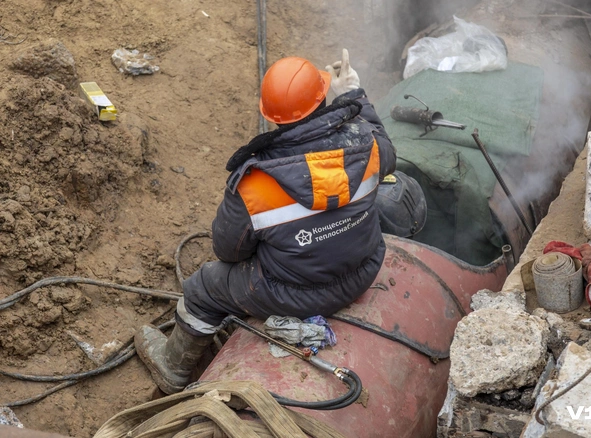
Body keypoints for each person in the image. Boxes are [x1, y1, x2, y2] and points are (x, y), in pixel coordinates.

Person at [134, 49, 398, 394]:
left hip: (293, 294)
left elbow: (228, 251)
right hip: (364, 272)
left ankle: (172, 368)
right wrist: (351, 92)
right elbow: (388, 152)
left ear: (272, 116)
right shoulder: (368, 143)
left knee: (204, 286)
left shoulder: (257, 182)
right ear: (323, 98)